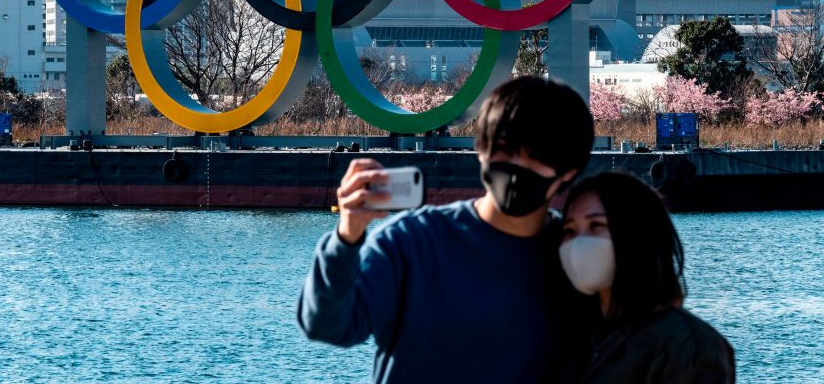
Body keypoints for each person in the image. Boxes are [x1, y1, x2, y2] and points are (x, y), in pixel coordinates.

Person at [297, 76, 596, 383]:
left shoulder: (581, 256)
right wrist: (347, 237)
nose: (517, 166)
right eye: (505, 149)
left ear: (568, 172)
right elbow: (326, 325)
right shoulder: (410, 242)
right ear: (481, 149)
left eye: (537, 156)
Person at [556, 173, 735, 383]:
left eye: (596, 225)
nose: (579, 242)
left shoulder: (687, 345)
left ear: (637, 232)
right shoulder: (578, 335)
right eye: (570, 230)